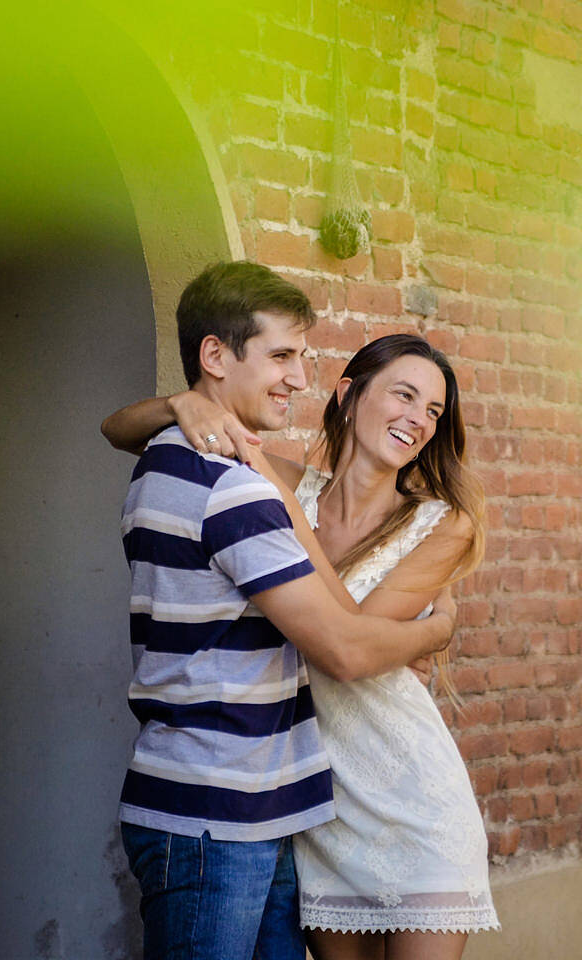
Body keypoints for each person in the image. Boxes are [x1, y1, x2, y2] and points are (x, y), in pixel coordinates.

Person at [104, 331, 499, 960]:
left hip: (413, 803)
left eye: (433, 411)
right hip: (315, 812)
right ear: (348, 393)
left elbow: (349, 643)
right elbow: (116, 429)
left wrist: (435, 628)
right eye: (405, 395)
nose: (419, 420)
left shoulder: (441, 522)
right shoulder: (286, 481)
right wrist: (183, 405)